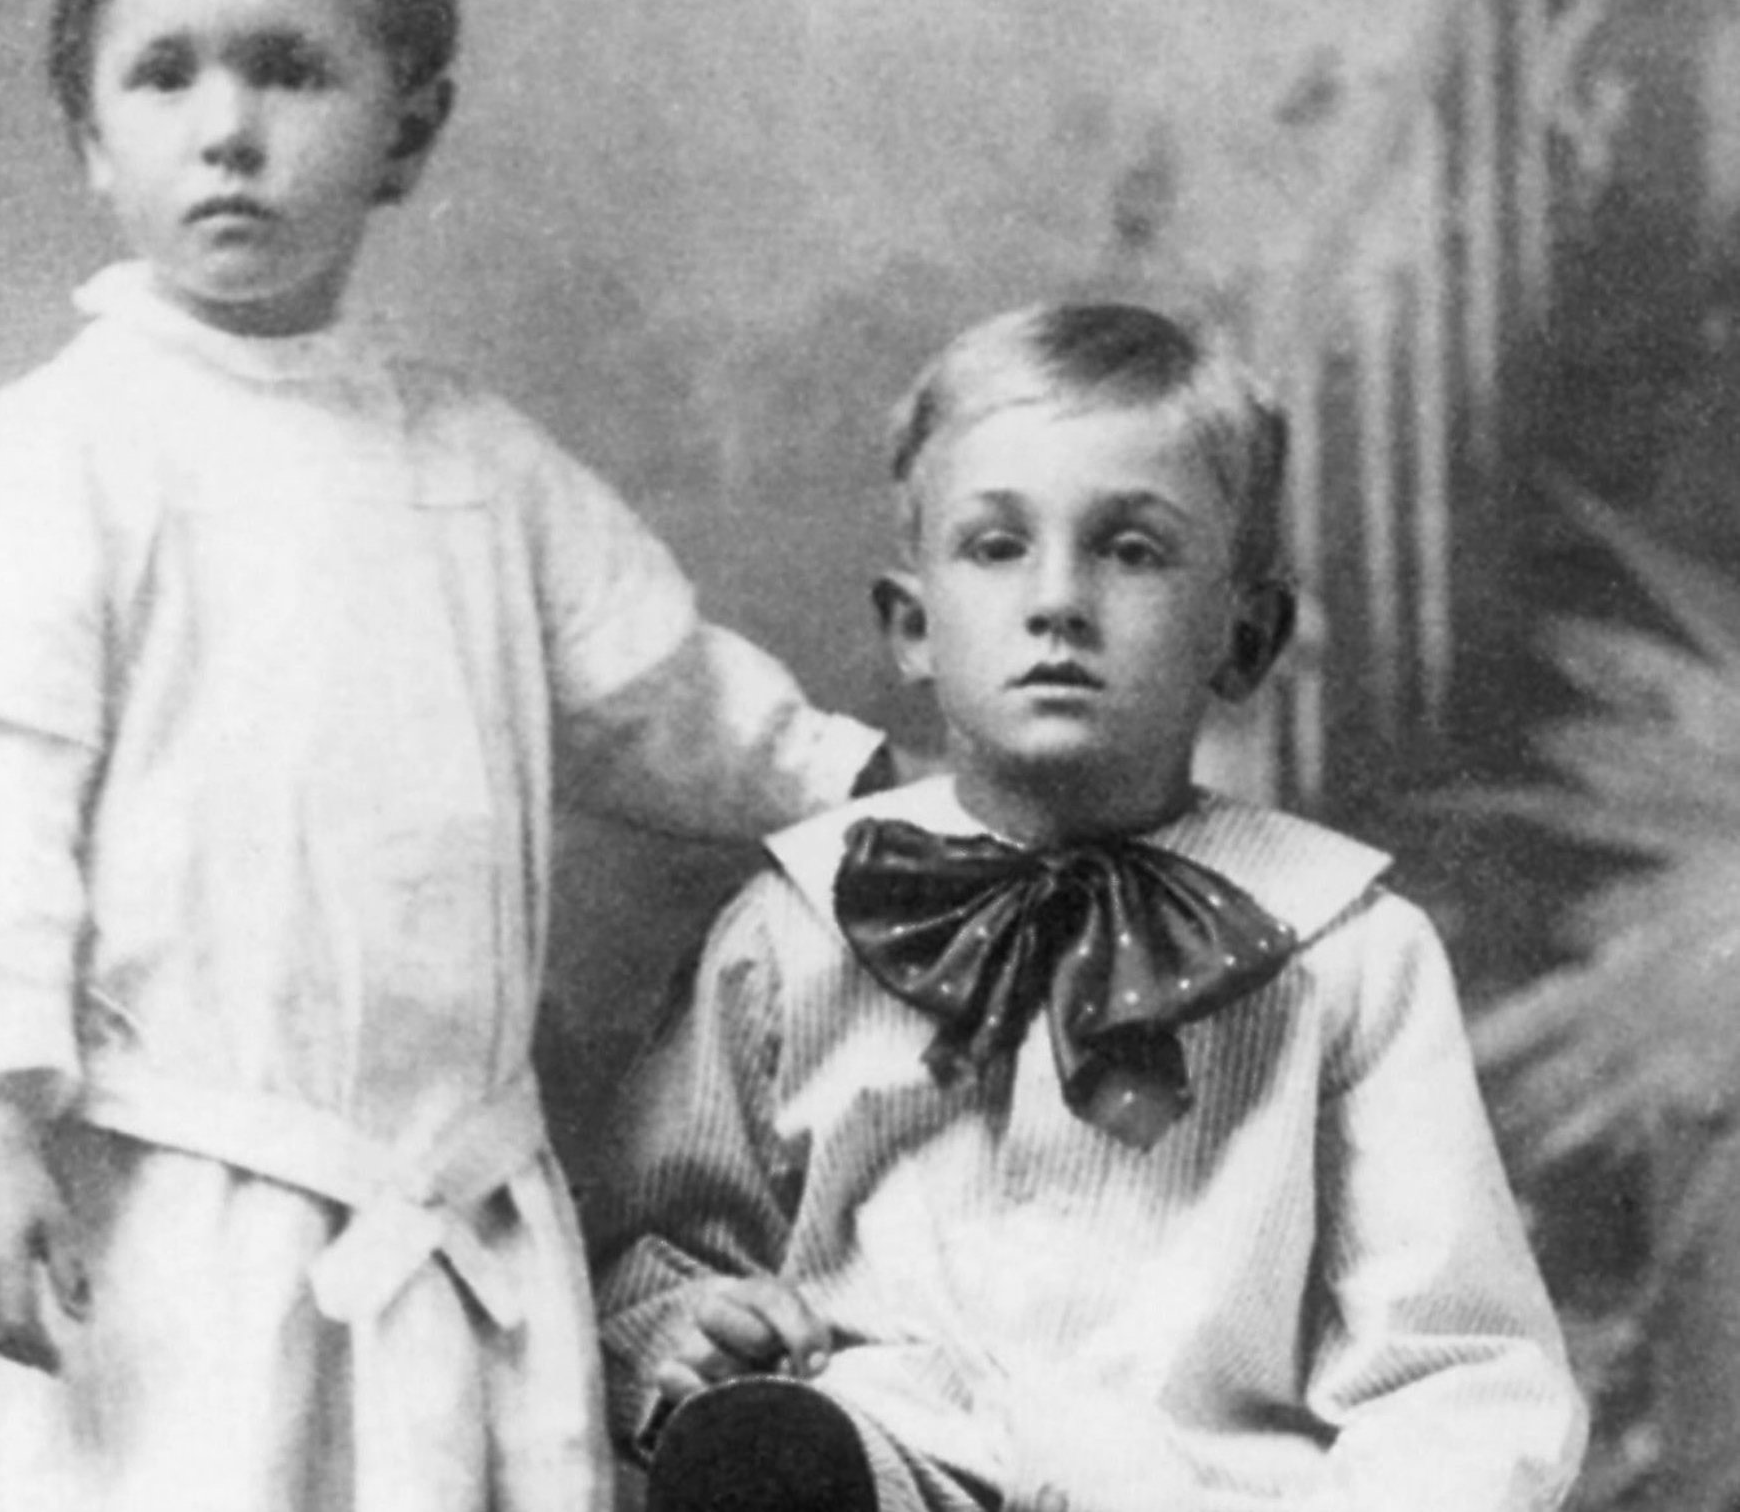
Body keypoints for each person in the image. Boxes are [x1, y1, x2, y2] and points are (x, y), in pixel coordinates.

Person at [0, 0, 886, 1512]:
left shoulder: (478, 469)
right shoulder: (58, 461)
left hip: (445, 1217)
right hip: (164, 1229)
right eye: (163, 79)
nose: (228, 131)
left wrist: (859, 788)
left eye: (291, 71)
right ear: (91, 134)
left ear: (407, 128)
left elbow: (662, 696)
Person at [590, 303, 1587, 1512]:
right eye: (997, 546)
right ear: (913, 625)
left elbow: (1458, 1367)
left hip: (1200, 1493)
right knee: (799, 1446)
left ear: (1246, 633)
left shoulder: (1349, 952)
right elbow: (662, 1255)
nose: (1058, 600)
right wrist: (691, 1332)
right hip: (890, 1469)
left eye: (1132, 549)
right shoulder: (798, 923)